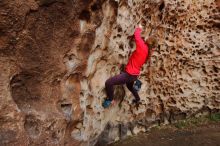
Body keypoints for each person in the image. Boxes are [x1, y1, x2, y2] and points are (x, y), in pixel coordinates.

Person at [103, 25, 158, 108]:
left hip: (129, 75)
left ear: (148, 41)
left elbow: (137, 35)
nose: (146, 37)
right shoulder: (148, 52)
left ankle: (110, 99)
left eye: (148, 38)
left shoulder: (142, 47)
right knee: (130, 87)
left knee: (109, 83)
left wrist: (139, 27)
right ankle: (138, 99)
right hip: (134, 75)